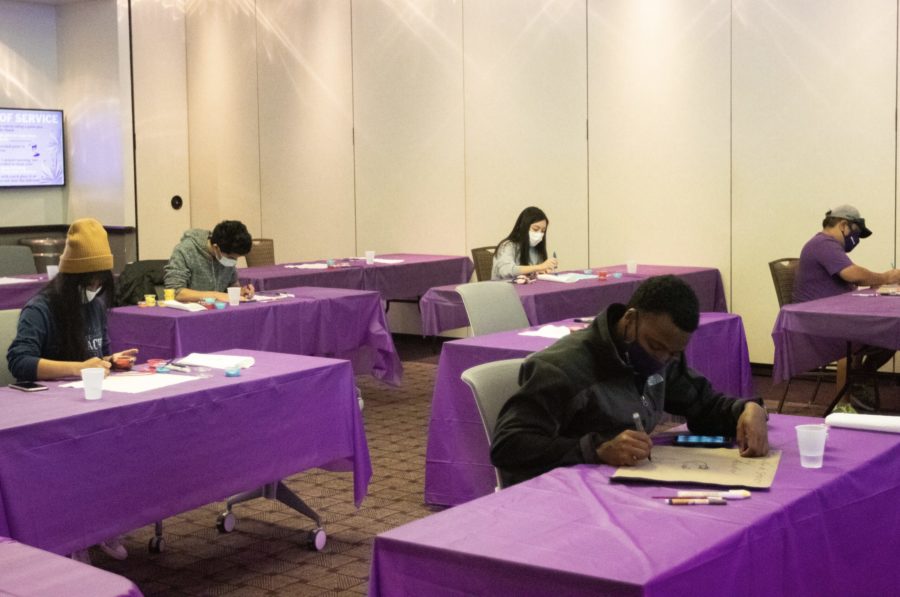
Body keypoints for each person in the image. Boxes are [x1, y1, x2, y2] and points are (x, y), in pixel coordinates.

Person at [490, 275, 769, 487]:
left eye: (673, 353)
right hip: (561, 497)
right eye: (655, 346)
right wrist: (597, 448)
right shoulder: (563, 368)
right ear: (630, 319)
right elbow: (509, 445)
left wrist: (744, 410)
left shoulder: (662, 358)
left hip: (623, 490)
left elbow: (703, 405)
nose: (662, 358)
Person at [6, 218, 138, 563]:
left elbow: (96, 353)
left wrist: (111, 360)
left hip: (85, 402)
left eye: (100, 280)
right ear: (73, 279)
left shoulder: (94, 305)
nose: (96, 286)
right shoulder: (42, 309)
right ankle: (72, 535)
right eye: (90, 280)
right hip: (47, 410)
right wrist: (79, 368)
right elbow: (20, 361)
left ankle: (102, 523)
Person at [793, 204, 900, 410]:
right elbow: (853, 274)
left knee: (891, 331)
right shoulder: (823, 243)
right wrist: (886, 276)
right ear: (844, 225)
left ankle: (861, 378)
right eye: (856, 233)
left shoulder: (829, 247)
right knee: (873, 334)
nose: (856, 239)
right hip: (819, 321)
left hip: (831, 314)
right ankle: (844, 404)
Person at [164, 220, 255, 302]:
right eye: (231, 258)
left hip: (219, 311)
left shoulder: (226, 254)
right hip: (189, 314)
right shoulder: (185, 250)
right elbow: (176, 292)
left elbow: (232, 284)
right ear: (216, 248)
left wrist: (240, 292)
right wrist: (215, 295)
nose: (234, 262)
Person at [491, 206, 559, 280]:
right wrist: (540, 267)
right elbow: (506, 271)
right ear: (523, 227)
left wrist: (542, 271)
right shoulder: (507, 246)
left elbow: (533, 274)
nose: (539, 234)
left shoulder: (536, 248)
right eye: (535, 229)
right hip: (505, 289)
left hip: (528, 289)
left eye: (543, 231)